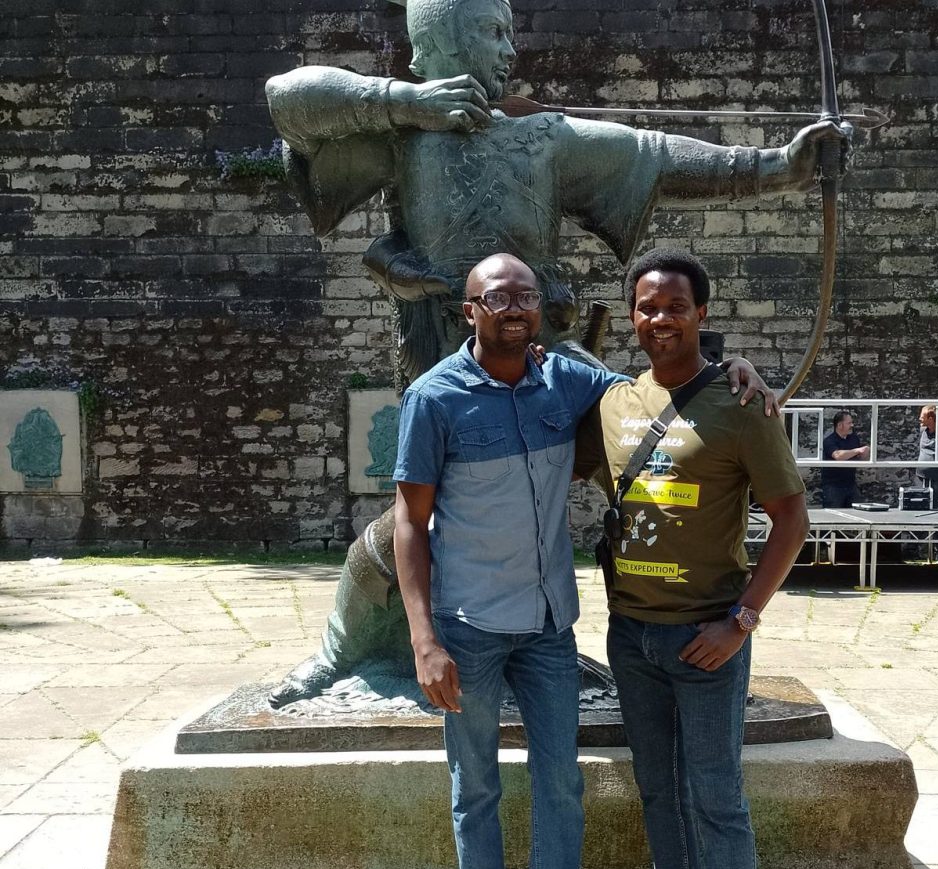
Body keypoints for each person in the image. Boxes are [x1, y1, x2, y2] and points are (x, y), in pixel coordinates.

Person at [263, 0, 852, 706]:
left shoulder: (544, 137)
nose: (506, 48)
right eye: (487, 30)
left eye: (509, 32)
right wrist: (404, 103)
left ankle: (671, 635)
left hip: (552, 365)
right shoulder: (402, 130)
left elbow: (659, 157)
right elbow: (286, 99)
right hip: (449, 369)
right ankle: (343, 649)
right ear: (435, 41)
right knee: (419, 520)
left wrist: (783, 165)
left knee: (655, 454)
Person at [391, 252, 774, 869]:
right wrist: (424, 640)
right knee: (475, 784)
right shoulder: (432, 399)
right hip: (469, 626)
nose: (514, 308)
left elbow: (658, 393)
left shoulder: (568, 381)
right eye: (498, 298)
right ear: (469, 311)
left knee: (562, 784)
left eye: (525, 296)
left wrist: (732, 369)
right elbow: (409, 523)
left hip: (547, 629)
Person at [574, 249, 810, 869]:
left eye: (676, 307)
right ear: (632, 317)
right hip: (632, 638)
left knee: (716, 798)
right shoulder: (614, 403)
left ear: (701, 314)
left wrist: (743, 621)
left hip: (708, 638)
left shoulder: (740, 402)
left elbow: (791, 521)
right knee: (657, 793)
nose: (661, 318)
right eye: (648, 307)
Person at [821, 410, 869, 507]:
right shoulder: (829, 441)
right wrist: (857, 450)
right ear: (839, 425)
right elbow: (838, 456)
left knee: (858, 512)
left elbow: (859, 457)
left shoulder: (854, 438)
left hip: (850, 484)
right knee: (833, 514)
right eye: (849, 423)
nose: (852, 425)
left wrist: (865, 452)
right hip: (833, 486)